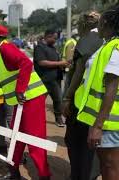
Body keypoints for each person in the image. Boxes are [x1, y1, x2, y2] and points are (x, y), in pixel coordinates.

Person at [0, 24, 51, 180]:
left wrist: (20, 89)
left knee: (34, 140)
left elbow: (26, 64)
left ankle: (44, 175)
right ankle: (14, 173)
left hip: (31, 98)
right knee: (15, 138)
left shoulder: (6, 49)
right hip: (21, 101)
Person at [73, 6, 119, 180]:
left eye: (98, 24)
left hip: (110, 123)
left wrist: (98, 126)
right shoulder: (108, 45)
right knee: (105, 164)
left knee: (110, 165)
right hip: (105, 121)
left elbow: (112, 87)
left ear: (106, 23)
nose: (96, 28)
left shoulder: (116, 48)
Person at [62, 11, 103, 180]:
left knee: (76, 142)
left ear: (84, 24)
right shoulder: (108, 41)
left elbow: (77, 73)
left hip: (82, 104)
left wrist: (67, 98)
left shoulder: (87, 41)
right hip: (102, 104)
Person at [33, 29, 70, 127]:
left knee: (58, 100)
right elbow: (42, 62)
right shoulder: (39, 48)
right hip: (44, 80)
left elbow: (56, 61)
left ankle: (58, 119)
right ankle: (36, 120)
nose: (55, 41)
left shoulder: (53, 48)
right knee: (39, 102)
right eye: (54, 38)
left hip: (55, 80)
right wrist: (60, 63)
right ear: (48, 36)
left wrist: (62, 65)